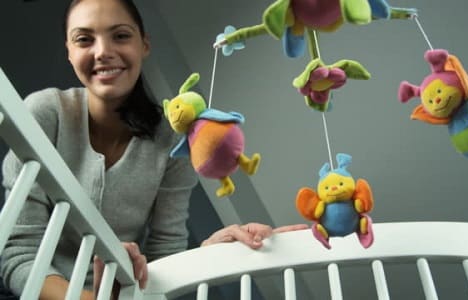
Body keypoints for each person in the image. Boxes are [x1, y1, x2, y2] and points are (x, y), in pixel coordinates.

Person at [0, 0, 307, 299]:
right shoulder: (44, 114)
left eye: (120, 35)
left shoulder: (174, 140)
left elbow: (164, 255)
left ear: (144, 44)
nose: (103, 51)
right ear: (69, 51)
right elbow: (18, 254)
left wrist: (209, 253)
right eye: (84, 39)